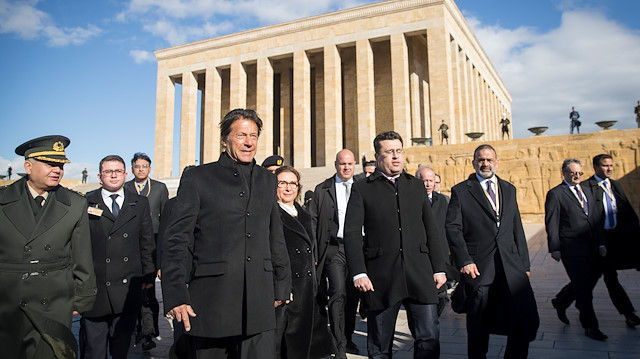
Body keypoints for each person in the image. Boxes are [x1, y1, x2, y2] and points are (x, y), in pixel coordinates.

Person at [161, 108, 291, 359]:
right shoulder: (198, 178)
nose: (249, 142)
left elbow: (274, 235)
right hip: (212, 303)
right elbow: (176, 239)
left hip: (259, 303)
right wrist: (176, 294)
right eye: (241, 135)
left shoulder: (267, 179)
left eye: (253, 135)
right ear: (224, 139)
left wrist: (282, 285)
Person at [344, 131, 448, 359]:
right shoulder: (363, 188)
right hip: (380, 277)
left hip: (419, 273)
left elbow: (432, 230)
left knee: (428, 339)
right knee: (380, 347)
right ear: (377, 155)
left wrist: (439, 267)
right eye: (389, 152)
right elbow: (351, 233)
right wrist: (359, 273)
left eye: (399, 151)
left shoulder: (416, 186)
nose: (396, 157)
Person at [0, 135, 97, 359]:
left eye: (61, 165)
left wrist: (83, 298)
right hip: (7, 301)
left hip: (53, 302)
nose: (58, 170)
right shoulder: (3, 199)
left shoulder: (74, 203)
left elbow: (81, 255)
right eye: (50, 164)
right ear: (28, 166)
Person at [446, 144, 538, 358]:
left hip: (510, 266)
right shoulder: (461, 190)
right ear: (474, 162)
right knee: (478, 323)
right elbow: (453, 228)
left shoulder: (508, 188)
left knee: (522, 317)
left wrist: (524, 264)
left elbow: (516, 226)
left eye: (489, 160)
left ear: (497, 162)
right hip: (479, 268)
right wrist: (464, 260)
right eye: (481, 160)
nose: (485, 163)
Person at [80, 155, 156, 359]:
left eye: (117, 171)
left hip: (127, 287)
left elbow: (146, 242)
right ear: (99, 176)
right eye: (107, 171)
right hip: (96, 288)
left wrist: (148, 277)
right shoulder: (85, 202)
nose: (113, 175)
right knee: (93, 351)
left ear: (125, 174)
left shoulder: (139, 202)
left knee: (122, 349)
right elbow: (78, 246)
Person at [552, 154, 640, 329]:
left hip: (613, 240)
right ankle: (628, 314)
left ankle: (562, 301)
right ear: (596, 167)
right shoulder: (585, 186)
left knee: (591, 277)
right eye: (605, 165)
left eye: (611, 165)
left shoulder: (615, 185)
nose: (609, 169)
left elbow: (627, 212)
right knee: (608, 277)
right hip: (594, 242)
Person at [274, 166, 335, 359]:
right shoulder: (271, 214)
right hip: (285, 291)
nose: (288, 188)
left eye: (292, 183)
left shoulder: (303, 214)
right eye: (282, 183)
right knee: (282, 346)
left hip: (307, 290)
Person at [546, 159, 607, 341]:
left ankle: (562, 301)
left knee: (590, 279)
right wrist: (554, 247)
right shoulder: (556, 194)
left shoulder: (587, 190)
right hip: (571, 247)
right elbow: (552, 222)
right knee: (582, 286)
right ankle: (590, 326)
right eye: (573, 173)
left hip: (591, 245)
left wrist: (601, 243)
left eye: (579, 173)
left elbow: (596, 219)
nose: (577, 176)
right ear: (564, 173)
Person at [308, 149, 360, 358]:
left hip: (358, 248)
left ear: (354, 164)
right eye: (342, 164)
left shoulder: (362, 188)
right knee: (337, 292)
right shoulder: (323, 189)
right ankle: (339, 346)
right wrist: (314, 253)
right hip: (334, 248)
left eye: (349, 164)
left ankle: (347, 337)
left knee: (352, 295)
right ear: (335, 164)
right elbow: (313, 222)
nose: (346, 167)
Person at [124, 152, 169, 350]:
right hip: (130, 248)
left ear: (149, 168)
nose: (141, 169)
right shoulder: (125, 188)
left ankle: (148, 333)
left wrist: (161, 261)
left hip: (151, 248)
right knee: (129, 294)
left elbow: (166, 221)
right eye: (137, 166)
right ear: (132, 169)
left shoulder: (159, 188)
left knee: (148, 294)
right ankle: (133, 332)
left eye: (144, 166)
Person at [416, 166, 458, 315]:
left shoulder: (443, 201)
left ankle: (434, 319)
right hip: (420, 253)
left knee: (441, 294)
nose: (427, 184)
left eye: (430, 181)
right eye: (424, 181)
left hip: (440, 253)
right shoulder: (411, 201)